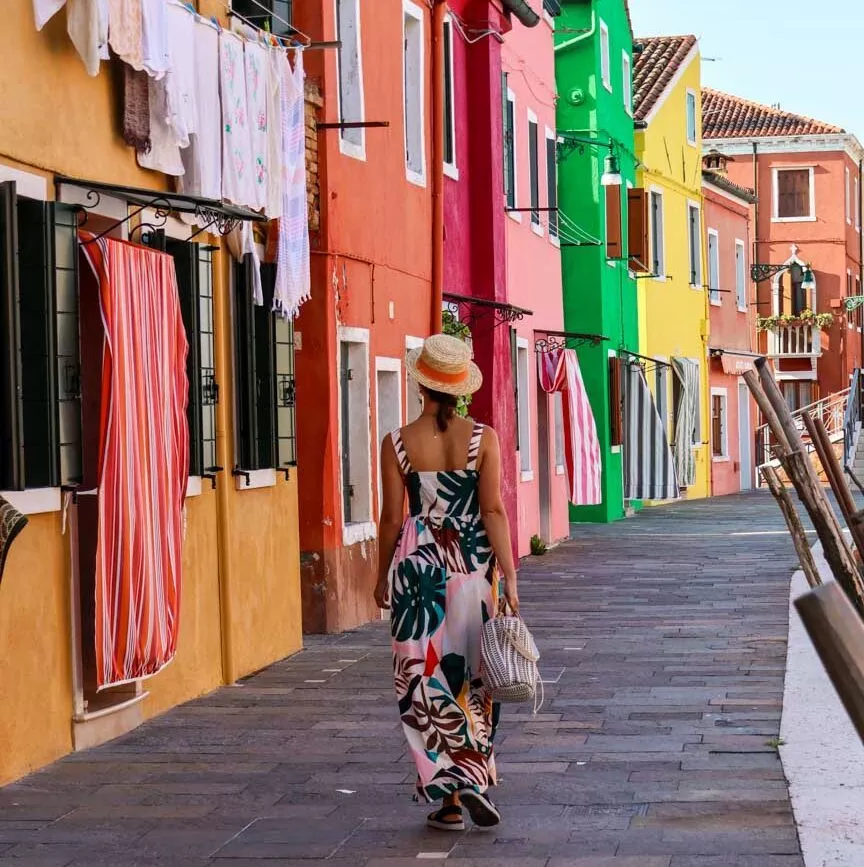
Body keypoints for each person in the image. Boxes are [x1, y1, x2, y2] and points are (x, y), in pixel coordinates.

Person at [374, 333, 520, 832]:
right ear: (460, 389)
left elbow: (391, 518)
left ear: (420, 384)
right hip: (473, 570)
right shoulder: (484, 439)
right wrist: (511, 581)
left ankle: (450, 798)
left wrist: (381, 579)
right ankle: (474, 779)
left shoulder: (396, 443)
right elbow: (494, 510)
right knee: (473, 679)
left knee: (423, 683)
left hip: (418, 568)